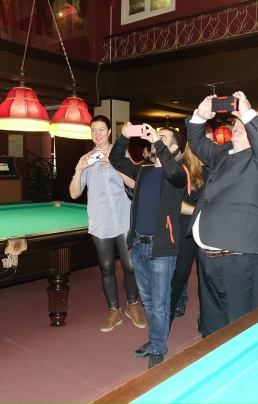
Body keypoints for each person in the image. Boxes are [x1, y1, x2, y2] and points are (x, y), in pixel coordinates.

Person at [186, 91, 258, 337]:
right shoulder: (222, 152)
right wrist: (200, 116)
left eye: (245, 122)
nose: (238, 123)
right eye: (237, 121)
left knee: (238, 326)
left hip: (237, 257)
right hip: (206, 255)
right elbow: (197, 142)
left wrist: (248, 113)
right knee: (212, 323)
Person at [109, 122, 187, 369]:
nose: (155, 139)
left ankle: (158, 347)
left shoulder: (177, 173)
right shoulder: (144, 169)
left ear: (172, 148)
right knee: (149, 301)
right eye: (155, 136)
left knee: (161, 303)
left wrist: (158, 142)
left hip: (161, 248)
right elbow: (115, 160)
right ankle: (155, 341)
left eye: (163, 138)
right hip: (139, 245)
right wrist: (123, 137)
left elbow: (174, 174)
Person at [69, 115, 146, 333]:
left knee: (130, 266)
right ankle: (114, 310)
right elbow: (74, 193)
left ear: (109, 131)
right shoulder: (86, 159)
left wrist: (113, 163)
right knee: (106, 267)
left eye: (101, 129)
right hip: (100, 220)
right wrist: (79, 169)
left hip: (123, 217)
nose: (97, 134)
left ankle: (132, 305)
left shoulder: (121, 154)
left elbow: (134, 184)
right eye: (93, 130)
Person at [170, 144, 209, 323]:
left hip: (206, 230)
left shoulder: (212, 167)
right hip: (185, 229)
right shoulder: (180, 167)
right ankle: (167, 317)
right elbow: (175, 204)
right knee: (180, 274)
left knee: (206, 278)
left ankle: (205, 319)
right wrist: (201, 211)